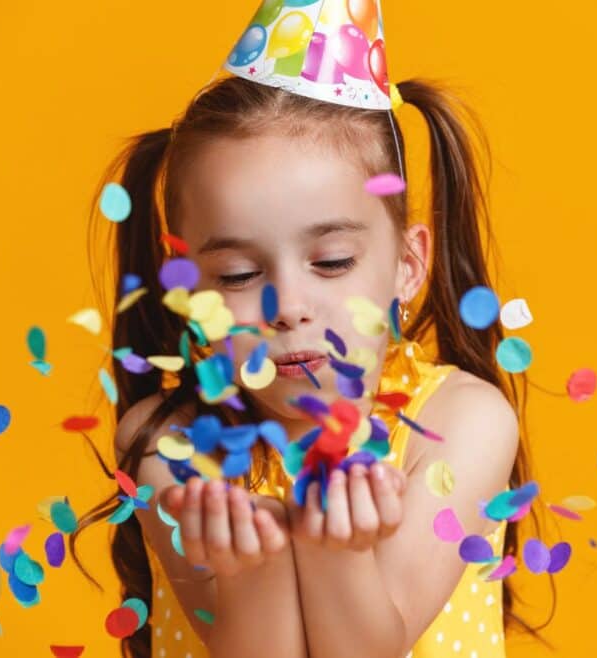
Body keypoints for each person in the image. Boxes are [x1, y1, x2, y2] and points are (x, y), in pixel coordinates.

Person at [73, 3, 545, 657]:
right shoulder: (170, 448)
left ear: (407, 266)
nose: (287, 307)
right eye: (237, 274)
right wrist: (252, 569)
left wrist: (337, 554)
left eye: (330, 262)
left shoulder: (462, 423)